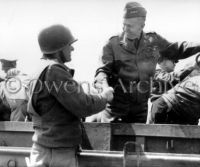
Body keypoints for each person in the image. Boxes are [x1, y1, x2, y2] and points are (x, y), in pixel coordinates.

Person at [94, 1, 200, 123]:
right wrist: (104, 87)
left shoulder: (153, 40)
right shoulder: (112, 44)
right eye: (124, 25)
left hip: (140, 109)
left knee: (138, 141)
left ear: (142, 25)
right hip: (116, 109)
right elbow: (101, 72)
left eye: (130, 26)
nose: (125, 29)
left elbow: (178, 49)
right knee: (113, 141)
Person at [27, 24, 114, 167]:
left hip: (42, 148)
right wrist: (105, 97)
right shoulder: (54, 70)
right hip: (58, 153)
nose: (72, 48)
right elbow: (83, 105)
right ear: (58, 49)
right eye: (69, 45)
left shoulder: (39, 69)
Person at [147, 54, 200, 125]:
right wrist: (191, 67)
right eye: (174, 61)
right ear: (164, 61)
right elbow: (170, 79)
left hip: (170, 107)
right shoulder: (155, 73)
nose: (175, 64)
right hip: (161, 107)